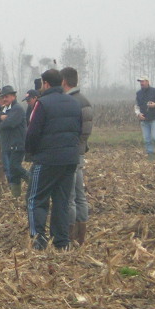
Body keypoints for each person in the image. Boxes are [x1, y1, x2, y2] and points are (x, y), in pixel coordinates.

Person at [25, 69, 82, 250]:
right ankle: (61, 242)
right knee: (61, 201)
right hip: (70, 160)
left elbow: (32, 132)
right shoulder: (74, 103)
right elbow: (78, 130)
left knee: (36, 199)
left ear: (46, 84)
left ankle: (38, 241)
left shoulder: (42, 104)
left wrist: (32, 153)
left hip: (47, 159)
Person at [61, 67, 94, 245]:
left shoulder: (74, 102)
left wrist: (72, 147)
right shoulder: (83, 100)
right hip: (78, 153)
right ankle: (80, 236)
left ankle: (71, 235)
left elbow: (84, 132)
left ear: (64, 81)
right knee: (80, 195)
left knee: (71, 196)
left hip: (72, 154)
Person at [0, 85, 29, 199]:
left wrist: (3, 120)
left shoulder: (17, 109)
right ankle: (16, 196)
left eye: (7, 96)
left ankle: (33, 182)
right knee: (13, 172)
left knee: (15, 167)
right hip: (7, 145)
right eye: (3, 97)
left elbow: (9, 124)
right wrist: (1, 118)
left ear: (13, 96)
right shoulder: (4, 109)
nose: (5, 99)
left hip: (17, 144)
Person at [135, 76, 155, 159]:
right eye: (140, 82)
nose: (141, 83)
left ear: (147, 82)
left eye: (143, 81)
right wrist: (138, 114)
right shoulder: (138, 93)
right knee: (147, 140)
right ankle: (151, 155)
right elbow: (136, 106)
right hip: (144, 120)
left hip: (154, 118)